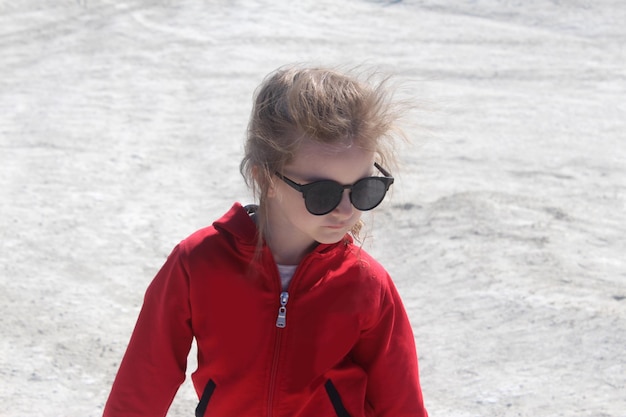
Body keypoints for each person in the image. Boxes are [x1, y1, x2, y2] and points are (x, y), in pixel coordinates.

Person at [103, 65, 429, 417]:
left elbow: (401, 403)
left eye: (365, 189)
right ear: (265, 177)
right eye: (323, 193)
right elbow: (144, 380)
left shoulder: (366, 282)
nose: (346, 211)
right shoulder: (198, 263)